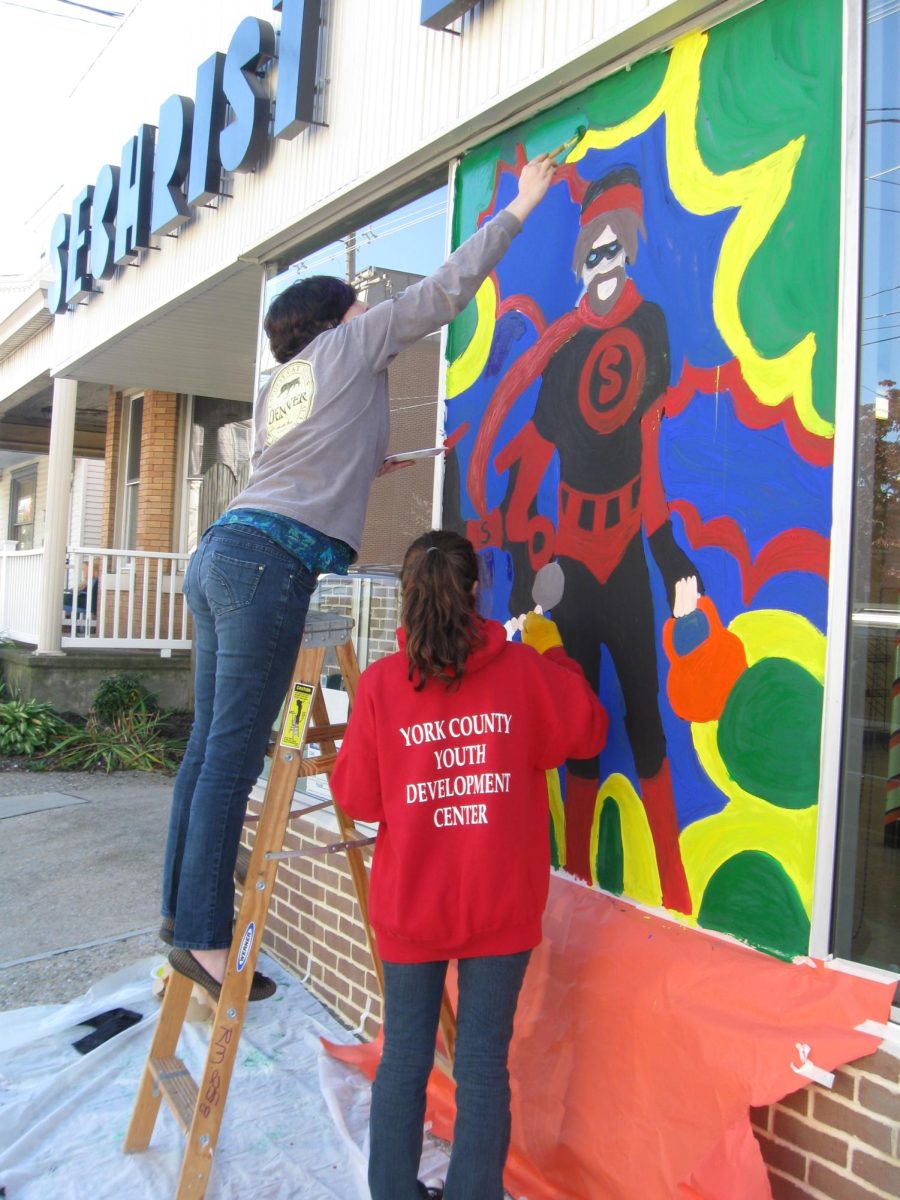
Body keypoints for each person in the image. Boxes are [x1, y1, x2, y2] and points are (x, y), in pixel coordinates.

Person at [159, 155, 558, 1002]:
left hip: (221, 553)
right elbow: (446, 289)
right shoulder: (353, 343)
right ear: (337, 317)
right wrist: (522, 205)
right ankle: (201, 936)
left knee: (206, 749)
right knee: (235, 755)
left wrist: (404, 457)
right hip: (270, 564)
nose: (372, 308)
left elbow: (309, 468)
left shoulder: (286, 384)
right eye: (358, 303)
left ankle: (177, 916)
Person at [329, 529, 607, 1200]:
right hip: (499, 902)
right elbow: (588, 730)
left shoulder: (379, 686)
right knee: (482, 1068)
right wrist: (557, 664)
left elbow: (358, 798)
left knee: (404, 1060)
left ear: (406, 597)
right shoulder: (521, 671)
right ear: (476, 590)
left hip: (411, 905)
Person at [466, 166, 699, 911]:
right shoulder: (565, 352)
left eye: (615, 249)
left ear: (631, 249)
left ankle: (674, 887)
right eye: (592, 254)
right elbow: (529, 462)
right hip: (568, 561)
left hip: (625, 556)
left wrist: (670, 559)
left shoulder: (649, 328)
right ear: (581, 264)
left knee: (644, 717)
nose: (605, 265)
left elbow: (654, 459)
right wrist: (529, 556)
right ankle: (579, 882)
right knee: (579, 726)